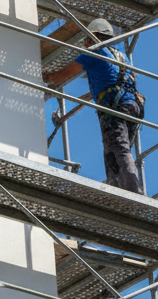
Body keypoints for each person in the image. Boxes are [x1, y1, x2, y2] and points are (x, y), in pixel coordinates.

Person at [43, 18, 144, 194]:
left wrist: (46, 76)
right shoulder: (120, 56)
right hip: (131, 106)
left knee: (118, 148)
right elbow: (97, 91)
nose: (85, 43)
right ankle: (116, 186)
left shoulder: (93, 53)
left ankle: (132, 190)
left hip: (114, 108)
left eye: (86, 40)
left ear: (92, 38)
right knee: (113, 149)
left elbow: (62, 75)